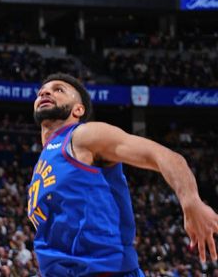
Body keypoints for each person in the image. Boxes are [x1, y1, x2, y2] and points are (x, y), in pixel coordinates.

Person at [29, 73, 218, 275]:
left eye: (59, 90)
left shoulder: (83, 136)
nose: (46, 92)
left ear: (78, 109)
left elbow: (165, 156)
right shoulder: (45, 159)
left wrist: (191, 201)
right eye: (41, 91)